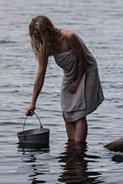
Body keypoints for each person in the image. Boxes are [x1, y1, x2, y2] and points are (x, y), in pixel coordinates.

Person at [25, 15, 104, 144]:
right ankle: (72, 145)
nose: (39, 41)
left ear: (47, 32)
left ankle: (79, 150)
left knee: (78, 114)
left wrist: (77, 81)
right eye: (36, 38)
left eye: (40, 37)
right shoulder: (44, 46)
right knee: (66, 114)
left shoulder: (68, 37)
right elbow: (40, 76)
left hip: (86, 69)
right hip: (70, 73)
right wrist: (33, 103)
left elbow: (83, 60)